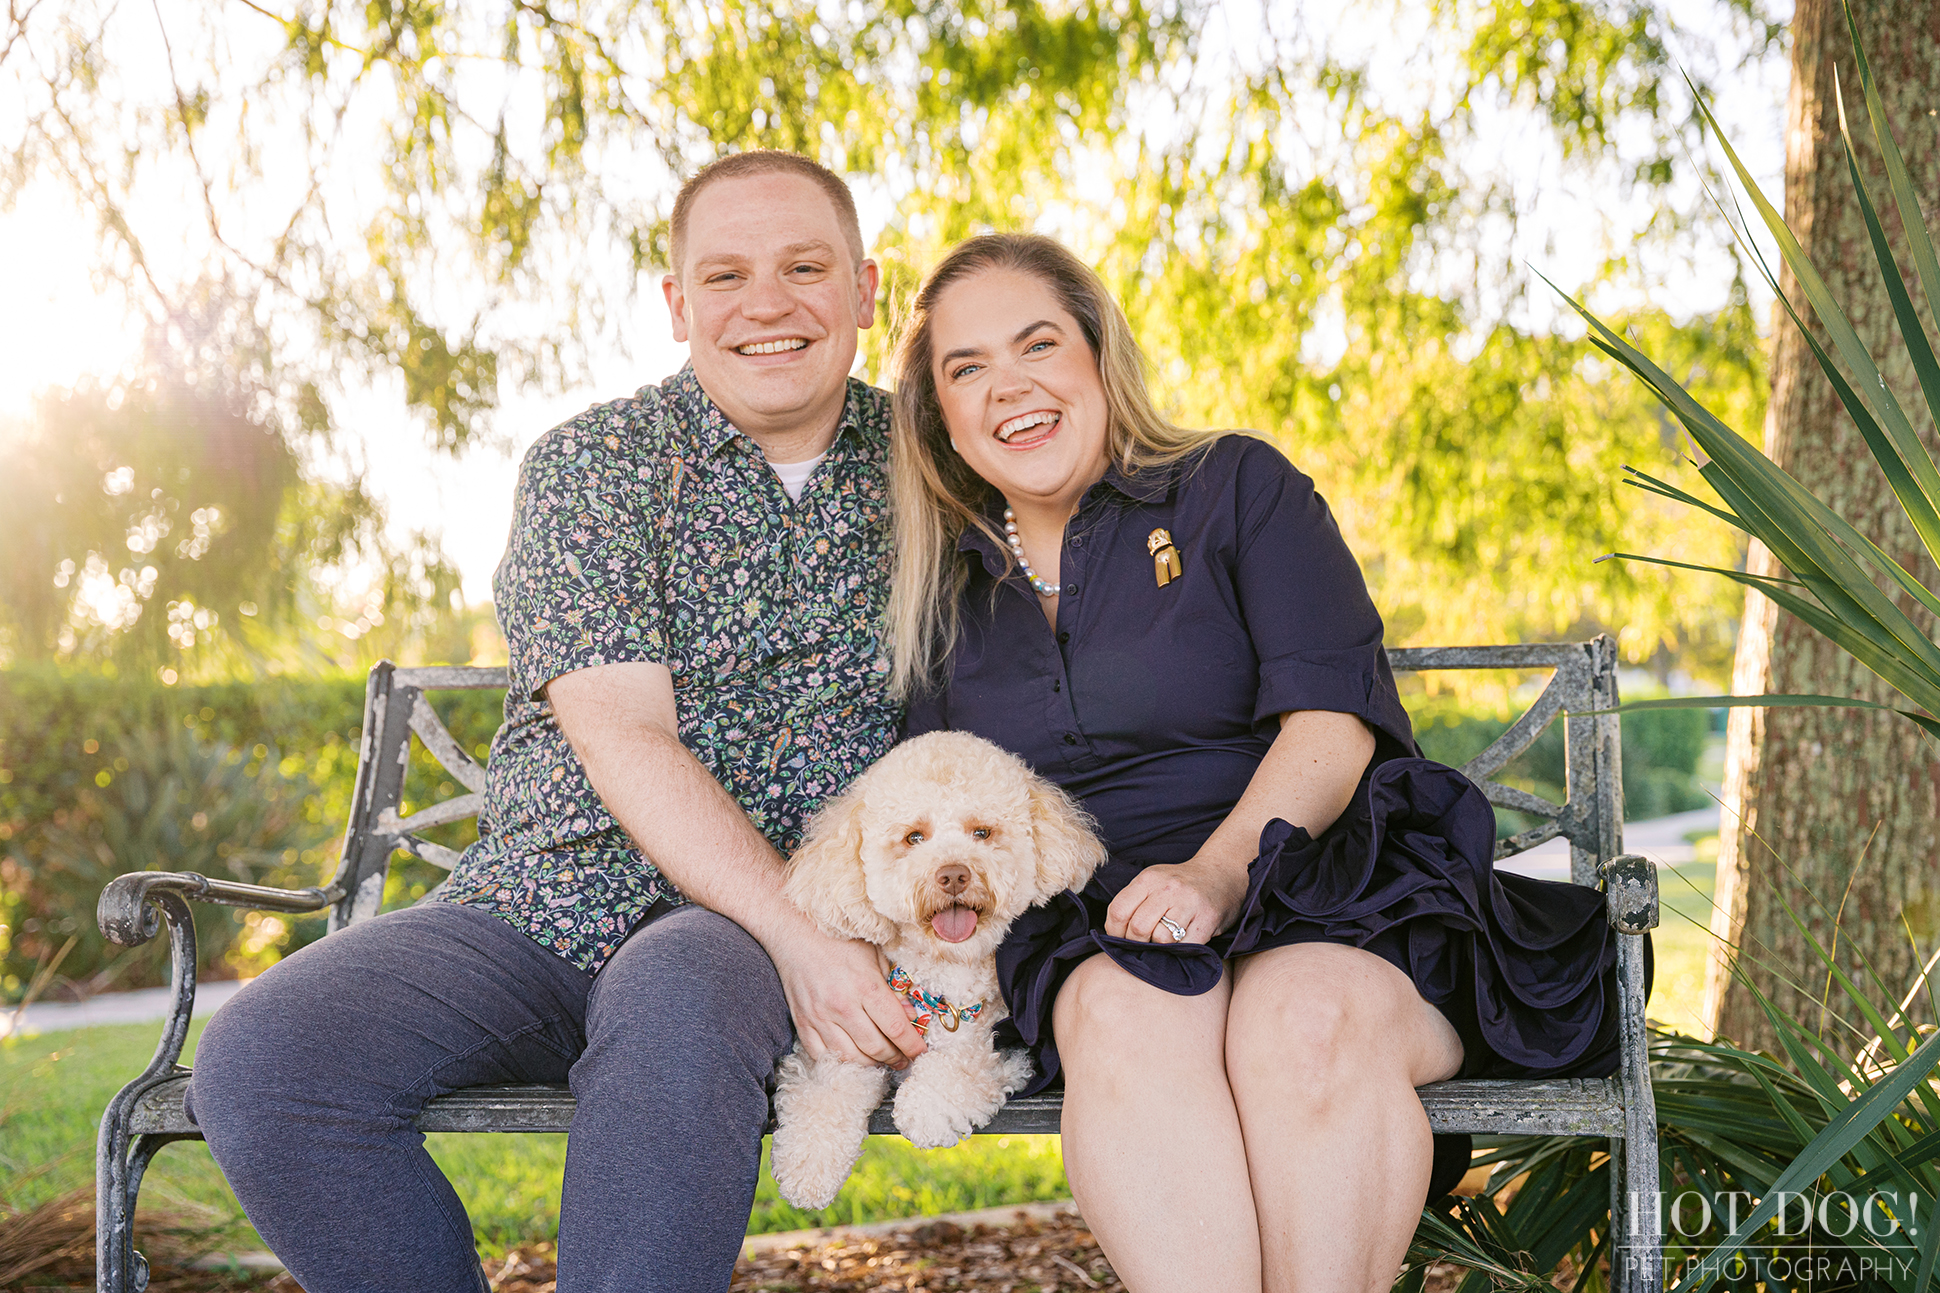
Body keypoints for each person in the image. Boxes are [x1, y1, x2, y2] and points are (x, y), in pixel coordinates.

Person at [185, 151, 928, 1293]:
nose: (766, 304)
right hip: (535, 908)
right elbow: (624, 732)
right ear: (678, 304)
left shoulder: (935, 471)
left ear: (868, 288)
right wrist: (808, 940)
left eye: (804, 267)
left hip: (733, 942)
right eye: (725, 274)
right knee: (266, 1059)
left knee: (675, 996)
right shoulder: (595, 465)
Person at [890, 233, 1634, 1293]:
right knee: (1123, 1011)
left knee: (1304, 1021)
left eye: (1037, 343)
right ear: (940, 414)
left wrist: (1215, 872)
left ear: (1098, 353)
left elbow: (1331, 722)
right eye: (965, 369)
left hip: (1316, 879)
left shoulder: (1231, 486)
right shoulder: (938, 592)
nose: (1008, 386)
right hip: (1102, 929)